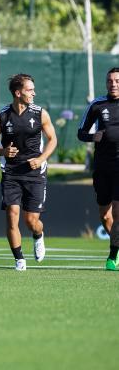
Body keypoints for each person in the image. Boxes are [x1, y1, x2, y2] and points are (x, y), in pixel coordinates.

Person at [0, 74, 57, 271]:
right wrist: (3, 151)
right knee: (12, 213)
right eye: (29, 90)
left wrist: (41, 159)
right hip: (11, 173)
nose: (34, 93)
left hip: (35, 173)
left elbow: (52, 140)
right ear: (18, 93)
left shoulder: (40, 113)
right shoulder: (2, 116)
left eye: (33, 89)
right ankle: (19, 259)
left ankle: (38, 236)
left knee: (32, 221)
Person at [78, 67, 119, 271]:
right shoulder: (97, 104)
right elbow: (81, 132)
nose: (113, 84)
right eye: (110, 80)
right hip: (102, 167)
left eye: (117, 81)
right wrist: (93, 137)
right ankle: (117, 247)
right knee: (105, 215)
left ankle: (112, 257)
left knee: (118, 212)